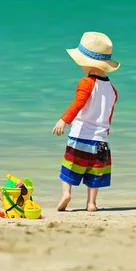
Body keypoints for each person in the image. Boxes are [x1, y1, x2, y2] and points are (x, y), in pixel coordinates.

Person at [52, 32, 120, 212]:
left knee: (69, 168)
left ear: (87, 63)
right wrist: (105, 133)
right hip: (101, 141)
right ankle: (91, 203)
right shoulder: (112, 89)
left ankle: (66, 194)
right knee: (95, 173)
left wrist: (63, 120)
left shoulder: (86, 83)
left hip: (80, 137)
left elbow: (78, 103)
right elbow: (109, 114)